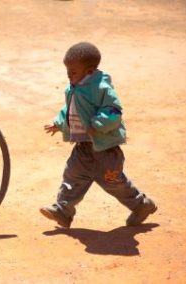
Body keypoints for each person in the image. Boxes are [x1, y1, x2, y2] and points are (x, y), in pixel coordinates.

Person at [40, 42, 157, 228]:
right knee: (72, 176)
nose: (69, 76)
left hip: (105, 150)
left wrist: (98, 124)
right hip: (83, 147)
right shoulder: (73, 87)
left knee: (114, 183)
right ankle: (63, 210)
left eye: (73, 72)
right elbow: (70, 110)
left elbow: (114, 111)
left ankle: (141, 205)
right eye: (67, 72)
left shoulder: (101, 87)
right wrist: (59, 123)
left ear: (90, 70)